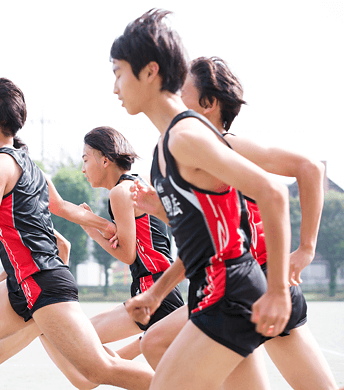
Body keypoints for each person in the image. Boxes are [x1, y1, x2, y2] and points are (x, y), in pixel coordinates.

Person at [0, 77, 154, 390]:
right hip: (21, 285)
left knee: (96, 371)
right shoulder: (30, 166)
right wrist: (106, 226)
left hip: (43, 281)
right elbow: (63, 207)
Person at [111, 9, 292, 389]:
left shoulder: (186, 136)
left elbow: (272, 192)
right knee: (157, 345)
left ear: (149, 72)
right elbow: (204, 232)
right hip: (212, 290)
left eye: (118, 72)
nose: (115, 87)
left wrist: (277, 291)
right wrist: (157, 293)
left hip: (231, 291)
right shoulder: (166, 146)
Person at [136, 55, 340, 390]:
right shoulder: (187, 158)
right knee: (155, 341)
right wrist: (160, 210)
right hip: (233, 287)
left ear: (208, 103)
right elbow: (203, 243)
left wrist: (306, 248)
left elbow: (310, 169)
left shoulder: (227, 145)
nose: (173, 95)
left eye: (181, 89)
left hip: (257, 284)